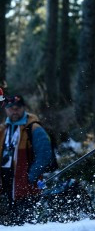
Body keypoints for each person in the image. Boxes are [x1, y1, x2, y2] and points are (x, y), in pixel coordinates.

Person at [0, 92, 54, 225]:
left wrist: (30, 177)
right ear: (5, 109)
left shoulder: (34, 128)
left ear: (24, 107)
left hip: (26, 188)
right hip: (5, 185)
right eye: (11, 107)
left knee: (25, 224)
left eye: (18, 107)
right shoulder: (2, 130)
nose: (14, 110)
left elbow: (45, 156)